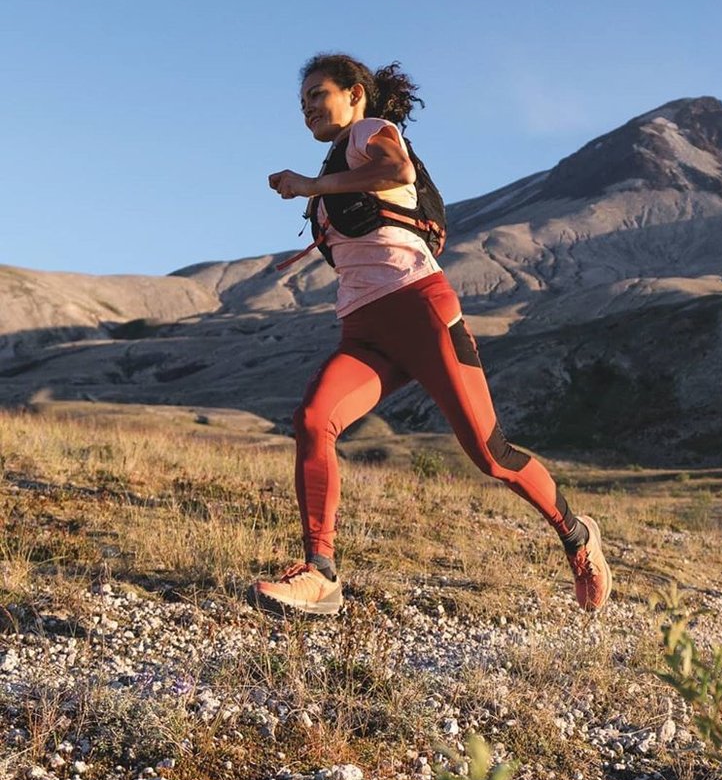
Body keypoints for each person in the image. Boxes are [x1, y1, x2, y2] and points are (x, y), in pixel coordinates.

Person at [252, 52, 611, 616]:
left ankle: (576, 535)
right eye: (302, 103)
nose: (308, 109)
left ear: (355, 95)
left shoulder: (371, 132)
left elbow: (399, 172)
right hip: (364, 329)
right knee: (314, 421)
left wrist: (310, 184)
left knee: (489, 455)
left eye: (318, 95)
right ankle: (320, 572)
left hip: (420, 311)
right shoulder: (335, 166)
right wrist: (318, 190)